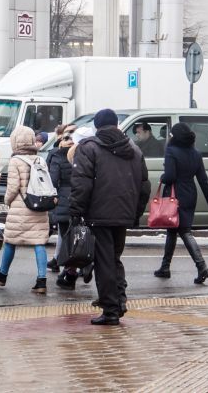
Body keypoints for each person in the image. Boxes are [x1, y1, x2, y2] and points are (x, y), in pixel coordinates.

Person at [70, 109, 150, 326]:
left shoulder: (89, 148)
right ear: (116, 124)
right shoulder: (133, 149)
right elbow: (144, 186)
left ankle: (111, 309)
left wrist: (76, 210)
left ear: (96, 126)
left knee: (104, 262)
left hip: (99, 214)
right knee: (114, 259)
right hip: (123, 214)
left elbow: (81, 183)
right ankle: (119, 300)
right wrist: (135, 213)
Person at [0, 126, 50, 294]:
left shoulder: (15, 161)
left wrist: (6, 200)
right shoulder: (40, 160)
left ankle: (2, 274)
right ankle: (41, 280)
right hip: (39, 205)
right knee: (39, 241)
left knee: (10, 240)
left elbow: (13, 187)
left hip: (20, 208)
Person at [154, 122, 208, 284]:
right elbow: (203, 179)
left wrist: (162, 178)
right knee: (172, 230)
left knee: (183, 231)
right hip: (190, 194)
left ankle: (202, 267)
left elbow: (170, 176)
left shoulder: (171, 151)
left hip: (175, 196)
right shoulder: (195, 153)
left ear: (175, 137)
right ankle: (165, 267)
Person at [49, 125, 80, 290]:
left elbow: (53, 181)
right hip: (81, 200)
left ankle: (68, 271)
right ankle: (75, 267)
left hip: (63, 201)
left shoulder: (57, 156)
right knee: (78, 238)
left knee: (65, 237)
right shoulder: (82, 154)